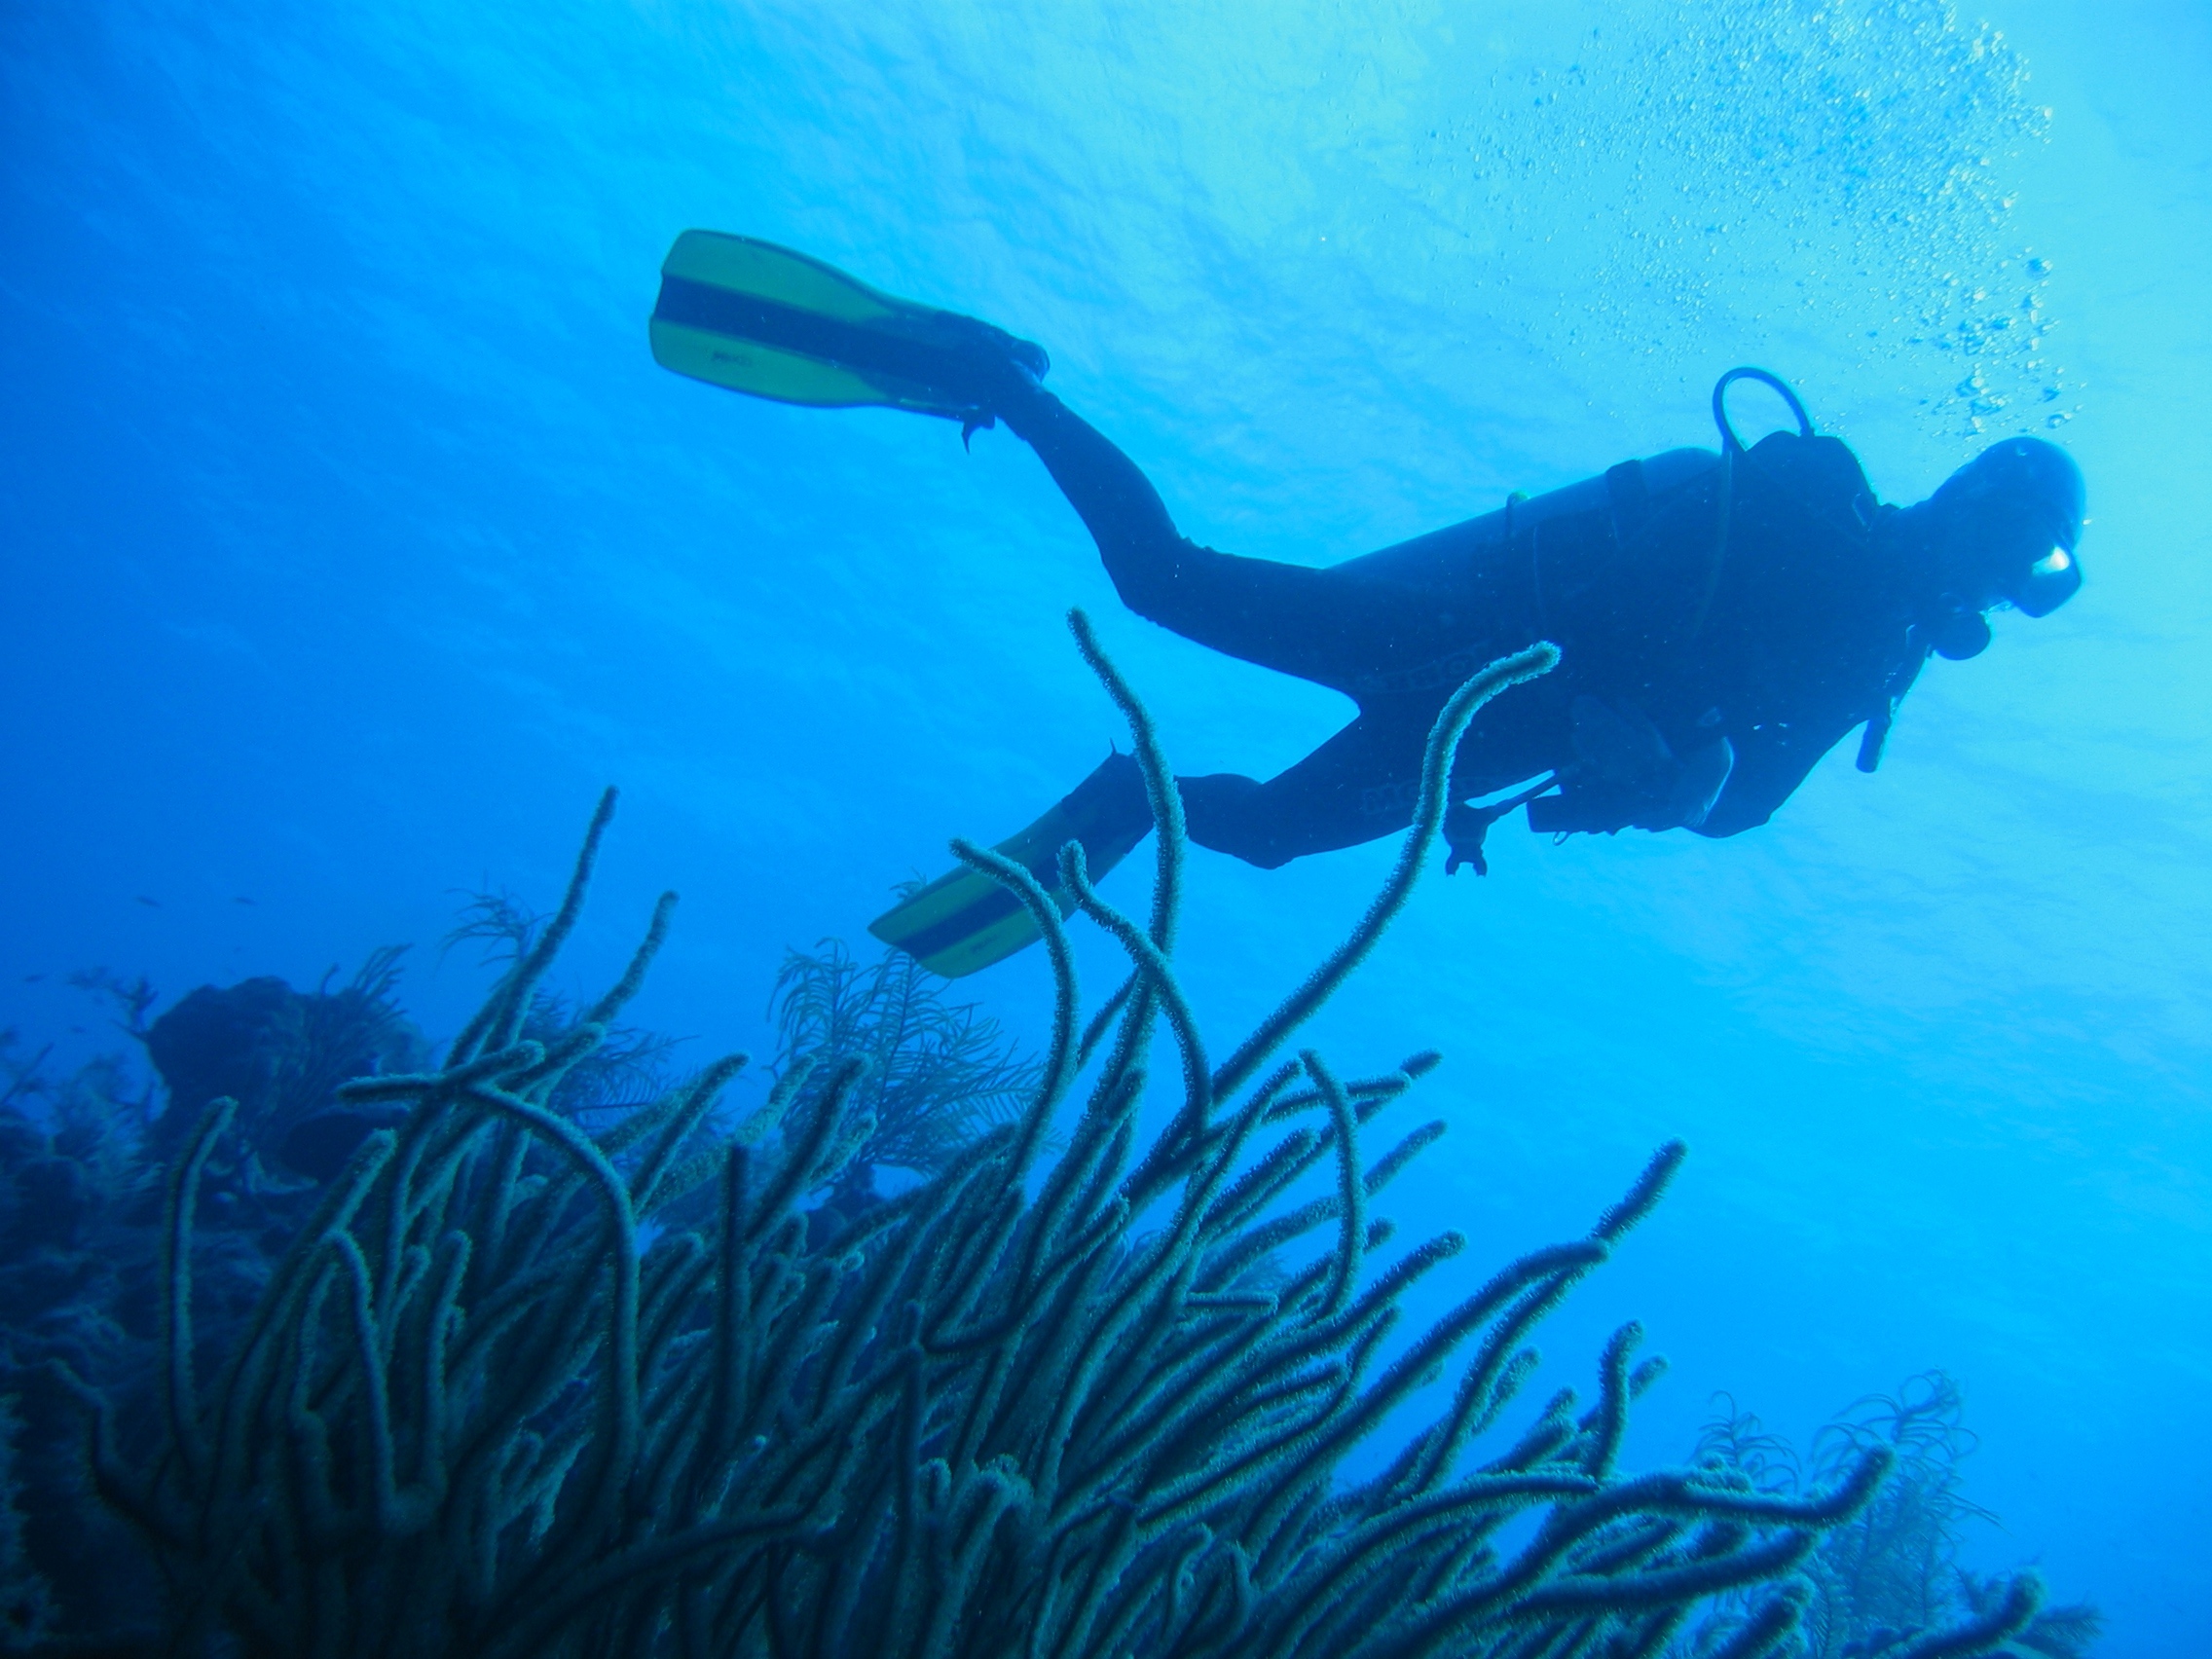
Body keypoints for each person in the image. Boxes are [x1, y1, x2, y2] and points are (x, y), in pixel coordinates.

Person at [649, 231, 2086, 974]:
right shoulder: (1810, 493)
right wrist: (1623, 704)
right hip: (1452, 630)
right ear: (1965, 504)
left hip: (1475, 749)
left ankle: (1123, 802)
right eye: (2007, 549)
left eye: (2027, 584)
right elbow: (1649, 572)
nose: (1992, 588)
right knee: (1163, 583)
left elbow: (1745, 800)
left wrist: (1679, 782)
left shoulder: (1877, 665)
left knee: (1268, 836)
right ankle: (1001, 386)